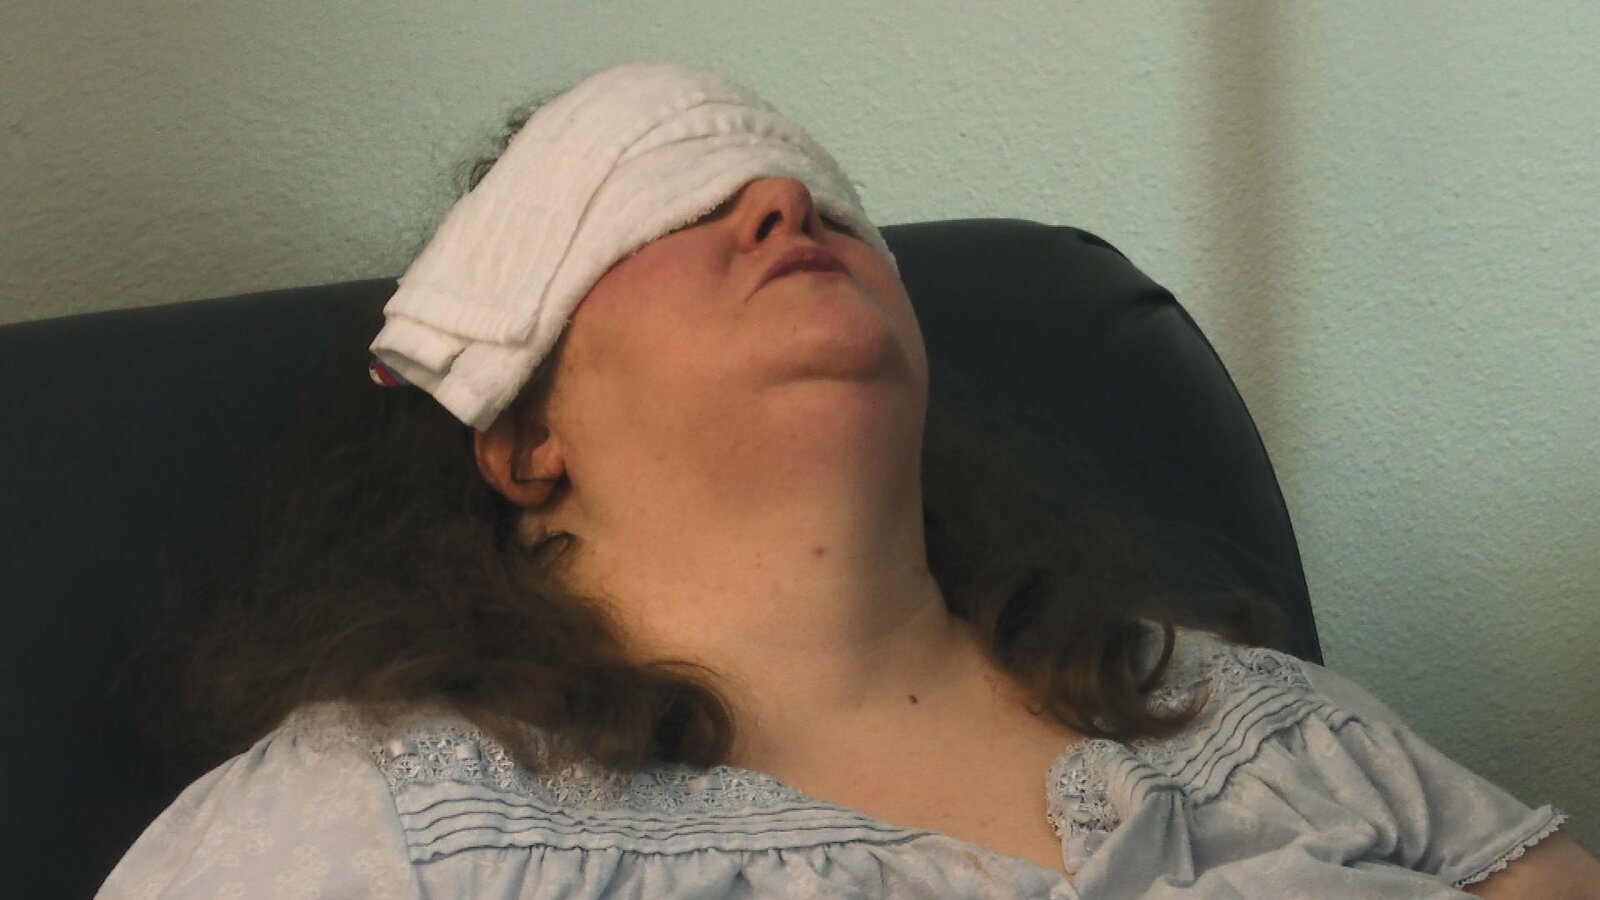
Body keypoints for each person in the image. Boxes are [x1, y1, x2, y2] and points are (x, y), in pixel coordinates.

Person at [99, 62, 1595, 899]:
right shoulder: (376, 828)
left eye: (822, 201)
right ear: (520, 435)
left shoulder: (1252, 724)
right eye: (658, 208)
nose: (777, 200)